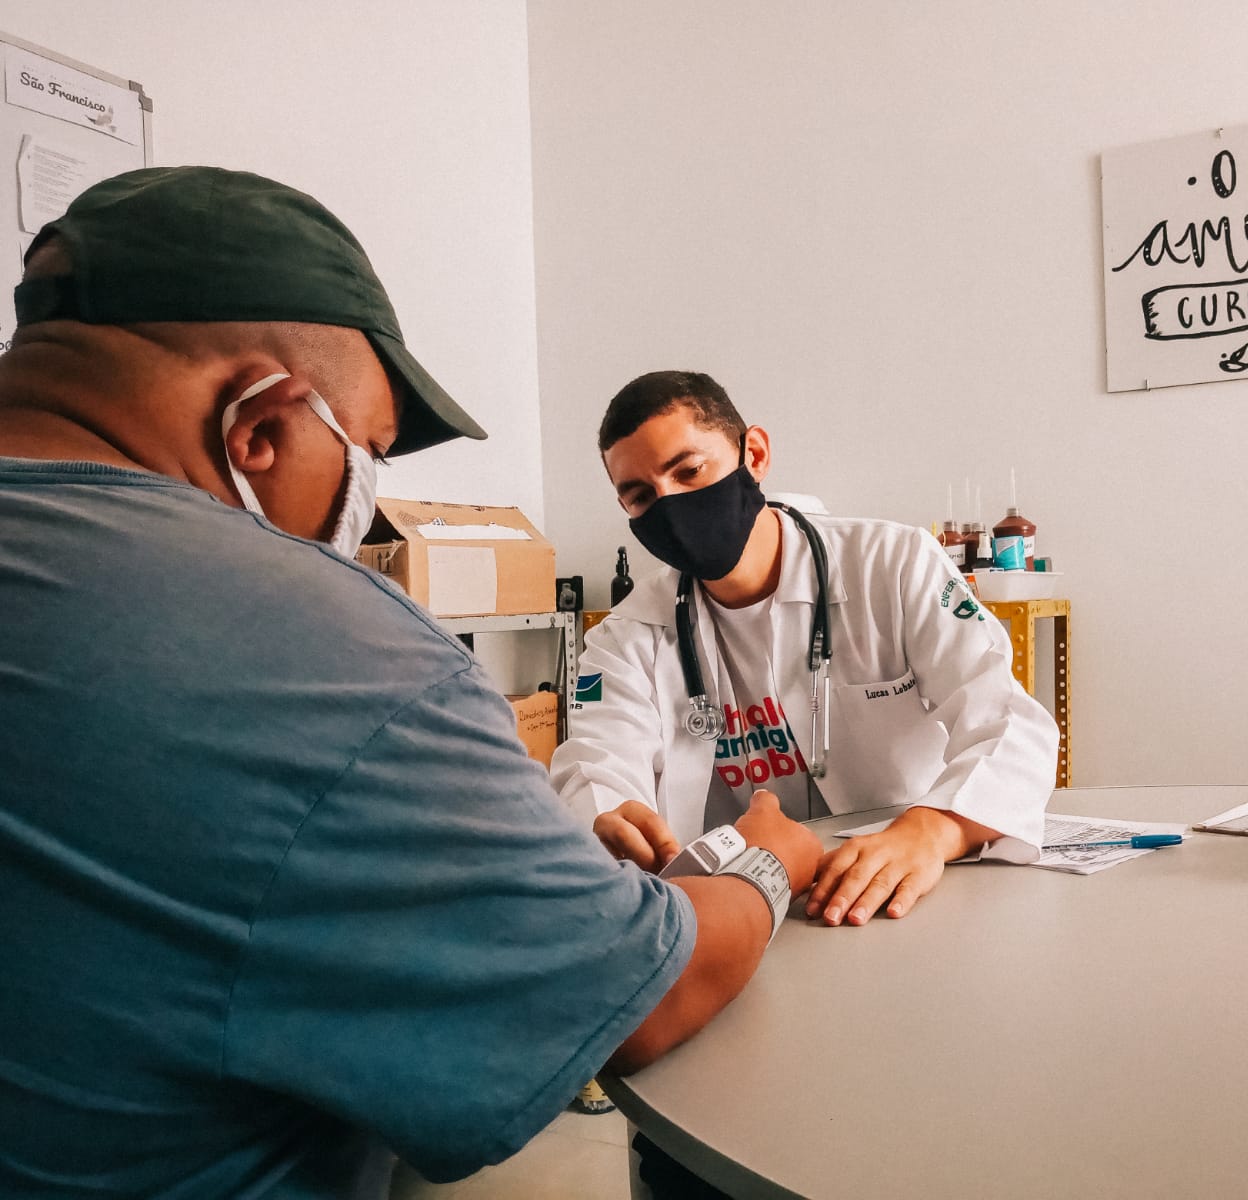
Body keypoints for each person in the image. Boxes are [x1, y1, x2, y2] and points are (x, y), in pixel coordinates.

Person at [0, 168, 822, 1199]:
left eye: (691, 474)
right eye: (370, 457)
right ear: (259, 429)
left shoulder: (888, 562)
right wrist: (767, 857)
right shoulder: (328, 656)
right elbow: (636, 997)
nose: (364, 504)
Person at [552, 370, 1059, 929]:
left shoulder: (892, 564)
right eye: (642, 496)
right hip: (738, 912)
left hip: (900, 890)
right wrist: (608, 817)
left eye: (689, 470)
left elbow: (1010, 723)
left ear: (755, 454)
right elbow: (596, 766)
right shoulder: (624, 637)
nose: (670, 505)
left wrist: (935, 828)